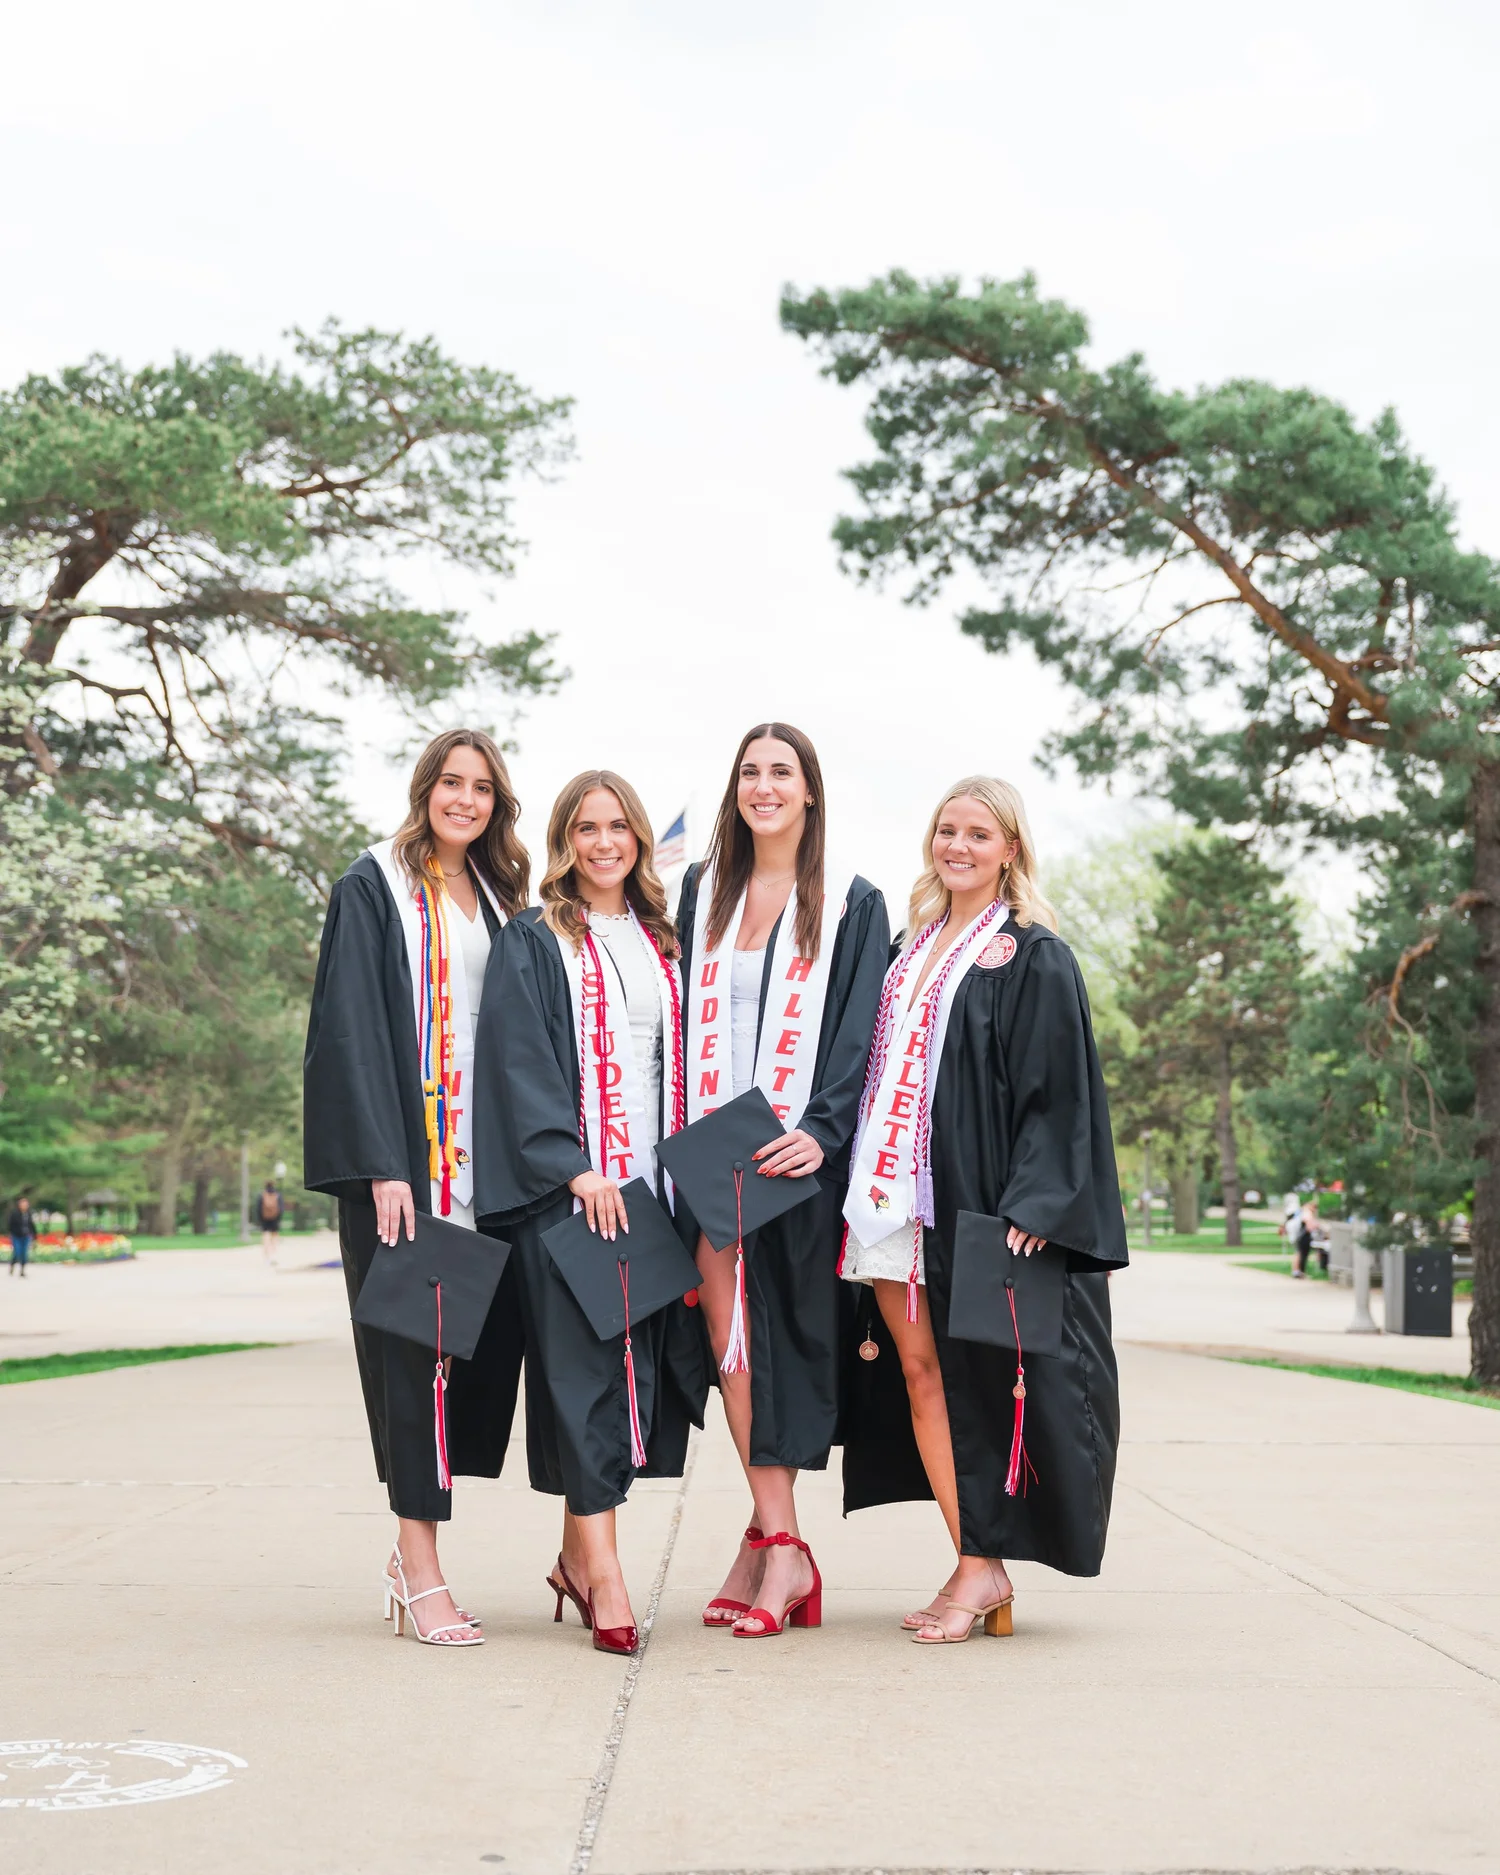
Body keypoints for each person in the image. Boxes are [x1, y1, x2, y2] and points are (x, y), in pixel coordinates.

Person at [840, 777, 1126, 1644]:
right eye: (946, 830)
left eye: (977, 833)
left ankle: (982, 1561)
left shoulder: (1032, 955)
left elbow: (1059, 1091)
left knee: (981, 1386)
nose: (957, 846)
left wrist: (1038, 1200)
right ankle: (974, 1555)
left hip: (977, 1205)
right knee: (919, 1374)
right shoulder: (906, 950)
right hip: (891, 1201)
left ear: (1009, 849)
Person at [303, 728, 528, 1647]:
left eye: (481, 787)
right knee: (411, 1360)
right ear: (424, 788)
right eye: (450, 782)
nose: (464, 799)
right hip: (410, 1166)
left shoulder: (500, 897)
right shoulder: (376, 885)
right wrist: (382, 1163)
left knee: (462, 1364)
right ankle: (418, 1565)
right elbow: (348, 1025)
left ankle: (418, 1555)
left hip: (487, 1166)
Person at [474, 771, 698, 1656]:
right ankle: (606, 1575)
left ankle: (576, 1553)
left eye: (618, 827)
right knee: (584, 1377)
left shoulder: (661, 941)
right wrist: (572, 1168)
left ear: (640, 838)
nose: (604, 843)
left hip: (648, 1193)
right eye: (586, 827)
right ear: (565, 839)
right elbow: (517, 1059)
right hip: (572, 1196)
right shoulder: (535, 939)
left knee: (632, 1379)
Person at [676, 723, 889, 1638]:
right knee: (732, 1353)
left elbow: (860, 1028)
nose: (764, 786)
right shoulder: (702, 892)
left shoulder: (851, 901)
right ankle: (779, 1541)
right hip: (713, 1154)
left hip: (793, 1160)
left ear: (809, 792)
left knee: (782, 1349)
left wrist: (822, 1129)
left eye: (782, 773)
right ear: (736, 790)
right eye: (750, 772)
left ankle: (778, 1546)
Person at [7, 1193, 35, 1277]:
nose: (24, 1206)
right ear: (19, 1205)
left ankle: (22, 1270)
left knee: (24, 1253)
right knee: (17, 1252)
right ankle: (12, 1264)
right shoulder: (15, 1214)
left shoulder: (28, 1214)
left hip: (26, 1236)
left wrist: (34, 1235)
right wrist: (12, 1233)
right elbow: (10, 1225)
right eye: (23, 1204)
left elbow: (31, 1225)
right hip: (16, 1236)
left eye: (26, 1204)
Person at [257, 1181, 283, 1260]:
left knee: (266, 1235)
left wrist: (260, 1219)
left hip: (265, 1219)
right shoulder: (278, 1195)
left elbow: (258, 1209)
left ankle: (266, 1255)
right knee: (274, 1236)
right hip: (275, 1219)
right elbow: (281, 1209)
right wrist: (278, 1219)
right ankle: (273, 1254)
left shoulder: (262, 1195)